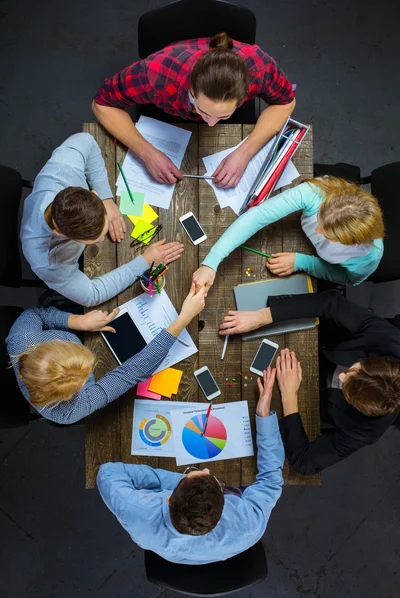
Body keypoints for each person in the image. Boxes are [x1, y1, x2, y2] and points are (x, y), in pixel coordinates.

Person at [97, 367, 284, 564]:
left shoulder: (134, 510)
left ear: (169, 497)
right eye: (212, 479)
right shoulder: (248, 526)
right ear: (220, 517)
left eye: (194, 472)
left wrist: (167, 480)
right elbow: (271, 480)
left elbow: (108, 473)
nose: (206, 468)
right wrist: (263, 415)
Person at [219, 290, 400, 474]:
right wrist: (262, 316)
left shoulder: (368, 430)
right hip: (322, 343)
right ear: (371, 360)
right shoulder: (390, 340)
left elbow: (304, 463)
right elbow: (330, 302)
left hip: (316, 398)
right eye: (352, 370)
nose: (342, 376)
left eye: (347, 388)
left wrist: (289, 398)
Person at [92, 32, 295, 187]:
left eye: (223, 115)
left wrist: (244, 153)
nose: (211, 124)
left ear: (246, 92)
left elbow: (286, 102)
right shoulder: (157, 73)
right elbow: (101, 104)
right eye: (203, 111)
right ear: (191, 87)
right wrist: (146, 153)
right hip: (168, 109)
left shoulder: (259, 66)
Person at [21, 133, 183, 307]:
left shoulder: (63, 169)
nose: (101, 239)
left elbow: (86, 140)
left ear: (93, 194)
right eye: (95, 238)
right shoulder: (49, 264)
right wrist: (143, 261)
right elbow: (92, 295)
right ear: (59, 232)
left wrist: (106, 199)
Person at [6, 284, 206, 425]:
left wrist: (76, 322)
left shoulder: (22, 338)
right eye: (86, 377)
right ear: (70, 395)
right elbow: (130, 373)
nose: (91, 364)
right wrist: (183, 319)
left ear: (50, 346)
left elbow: (35, 314)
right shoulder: (69, 410)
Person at [193, 177, 384, 289]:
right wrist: (212, 262)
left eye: (326, 235)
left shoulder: (367, 257)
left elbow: (347, 279)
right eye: (319, 220)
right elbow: (259, 215)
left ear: (352, 242)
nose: (316, 231)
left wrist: (304, 262)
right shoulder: (314, 192)